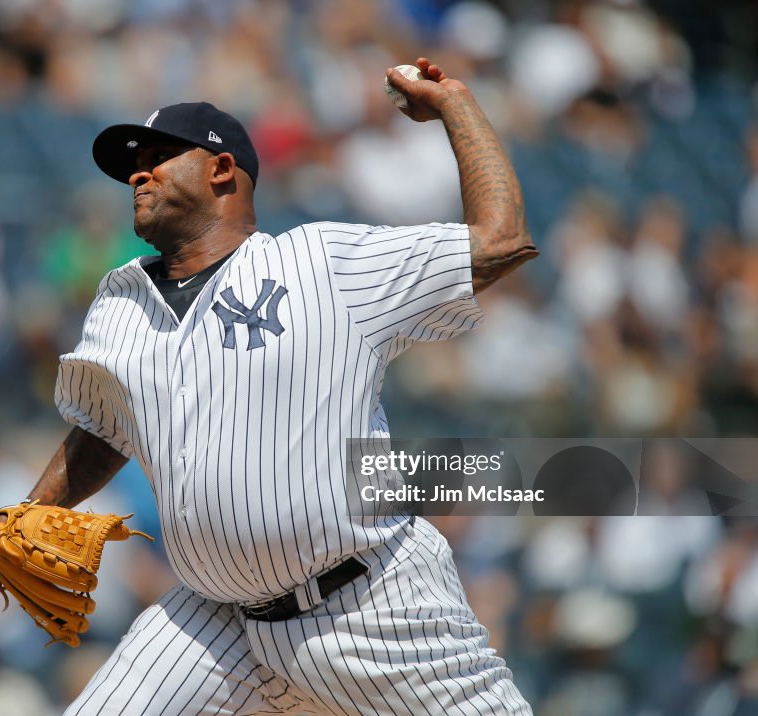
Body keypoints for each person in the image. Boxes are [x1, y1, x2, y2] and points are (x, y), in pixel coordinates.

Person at [28, 58, 537, 715]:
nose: (137, 172)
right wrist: (39, 506)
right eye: (135, 162)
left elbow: (503, 240)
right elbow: (107, 427)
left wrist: (455, 104)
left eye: (158, 155)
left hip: (371, 608)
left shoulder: (322, 264)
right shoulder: (121, 300)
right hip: (218, 623)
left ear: (220, 170)